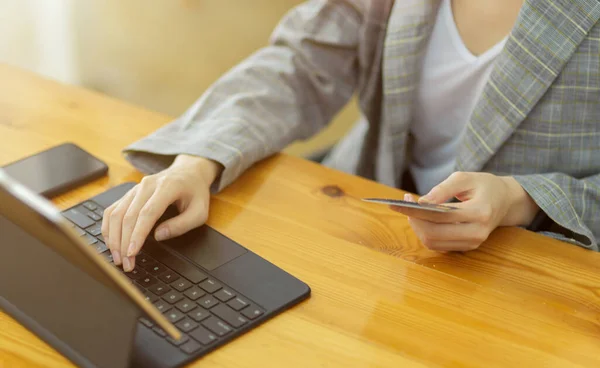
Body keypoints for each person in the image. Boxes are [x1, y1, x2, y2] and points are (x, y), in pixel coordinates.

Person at [102, 0, 600, 272]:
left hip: (530, 271)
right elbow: (301, 62)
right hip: (369, 224)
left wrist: (521, 198)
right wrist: (197, 160)